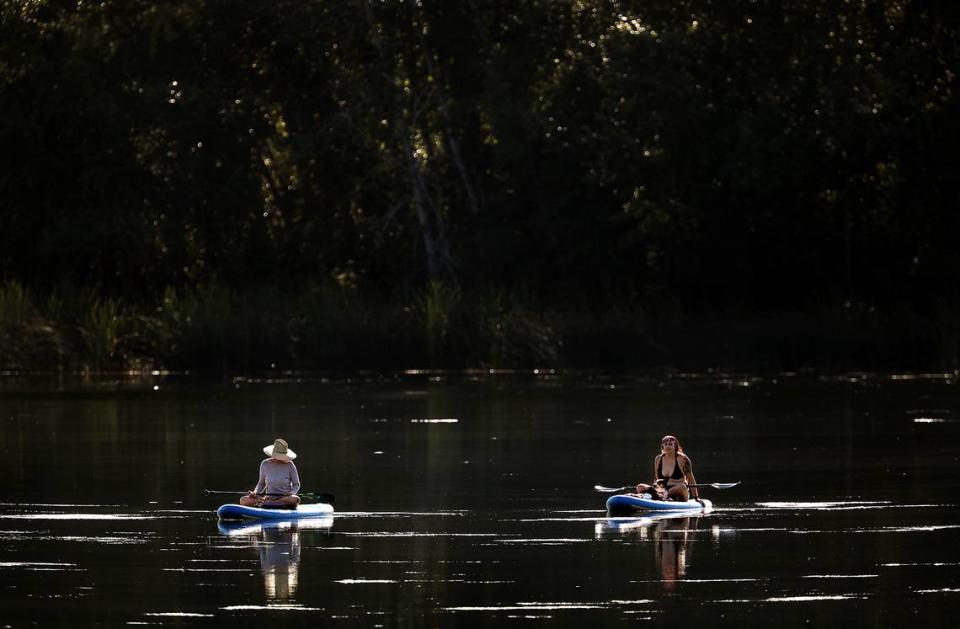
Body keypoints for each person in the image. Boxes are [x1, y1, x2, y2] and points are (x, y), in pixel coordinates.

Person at [240, 438, 301, 508]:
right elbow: (261, 483)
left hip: (285, 499)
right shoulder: (265, 463)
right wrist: (255, 492)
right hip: (268, 498)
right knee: (243, 500)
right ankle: (270, 503)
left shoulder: (290, 465)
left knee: (295, 499)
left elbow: (296, 484)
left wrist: (291, 493)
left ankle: (272, 503)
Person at [635, 435, 700, 502]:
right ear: (662, 446)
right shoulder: (658, 459)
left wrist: (696, 497)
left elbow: (691, 479)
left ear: (675, 446)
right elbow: (657, 479)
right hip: (661, 490)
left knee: (682, 487)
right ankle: (649, 496)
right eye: (665, 444)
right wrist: (655, 488)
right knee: (640, 486)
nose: (667, 446)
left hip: (678, 491)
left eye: (670, 444)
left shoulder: (683, 459)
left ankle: (657, 497)